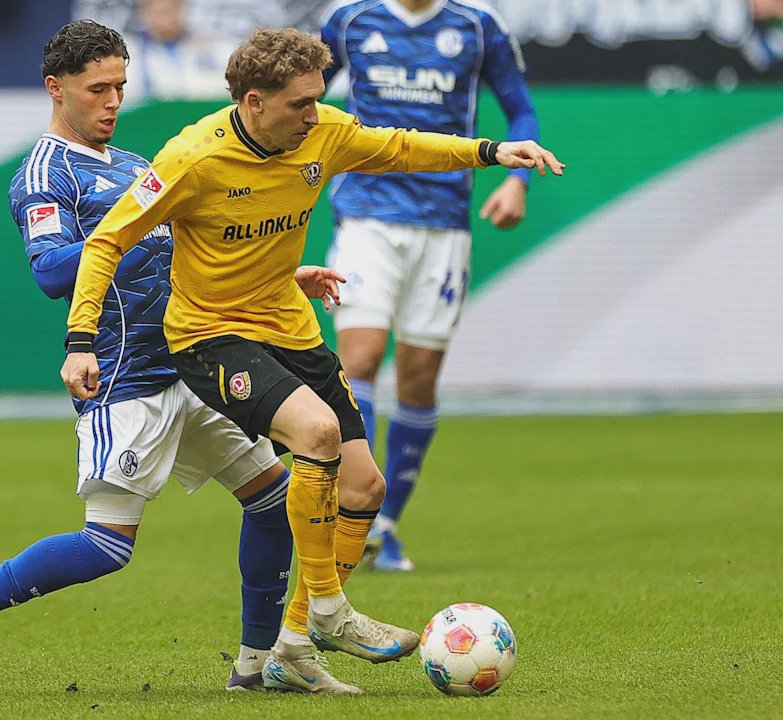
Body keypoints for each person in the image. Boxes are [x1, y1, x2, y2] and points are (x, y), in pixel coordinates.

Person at [61, 26, 562, 691]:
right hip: (209, 338)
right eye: (299, 103)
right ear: (252, 101)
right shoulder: (191, 158)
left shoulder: (320, 131)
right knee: (317, 433)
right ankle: (329, 608)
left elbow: (400, 147)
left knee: (365, 487)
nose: (313, 114)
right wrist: (80, 339)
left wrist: (494, 150)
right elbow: (105, 242)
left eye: (317, 100)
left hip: (288, 328)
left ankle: (293, 645)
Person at [0, 20, 353, 697]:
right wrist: (124, 231)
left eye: (120, 87)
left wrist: (283, 280)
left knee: (272, 500)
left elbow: (191, 256)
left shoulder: (136, 164)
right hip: (123, 377)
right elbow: (53, 270)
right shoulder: (45, 173)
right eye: (97, 89)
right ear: (56, 89)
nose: (112, 102)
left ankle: (258, 665)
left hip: (192, 363)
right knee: (107, 547)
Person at [319, 0, 540, 572]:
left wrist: (516, 182)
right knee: (360, 359)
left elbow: (520, 111)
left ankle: (385, 525)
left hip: (444, 225)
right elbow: (303, 100)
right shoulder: (350, 20)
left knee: (418, 379)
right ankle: (352, 515)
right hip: (367, 215)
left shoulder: (477, 24)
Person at [123, 0, 229, 100]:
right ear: (145, 14)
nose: (166, 18)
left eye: (171, 10)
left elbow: (219, 87)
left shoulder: (207, 47)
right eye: (160, 12)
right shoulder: (131, 50)